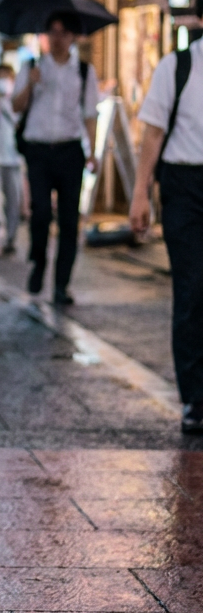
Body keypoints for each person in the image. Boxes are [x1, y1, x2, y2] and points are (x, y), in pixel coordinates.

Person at [130, 33, 202, 434]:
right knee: (192, 288)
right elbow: (152, 134)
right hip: (185, 185)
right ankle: (196, 398)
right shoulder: (177, 66)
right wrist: (139, 193)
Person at [12, 11, 98, 305]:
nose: (57, 38)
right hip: (38, 149)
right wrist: (30, 84)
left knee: (69, 220)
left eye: (63, 32)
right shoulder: (32, 66)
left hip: (70, 149)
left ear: (73, 36)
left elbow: (89, 113)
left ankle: (62, 283)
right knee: (40, 213)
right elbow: (15, 105)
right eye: (52, 32)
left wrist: (93, 151)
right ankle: (38, 263)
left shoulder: (84, 71)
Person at [0, 63, 22, 256]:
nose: (2, 81)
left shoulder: (16, 102)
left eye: (5, 77)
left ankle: (10, 239)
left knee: (13, 202)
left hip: (13, 159)